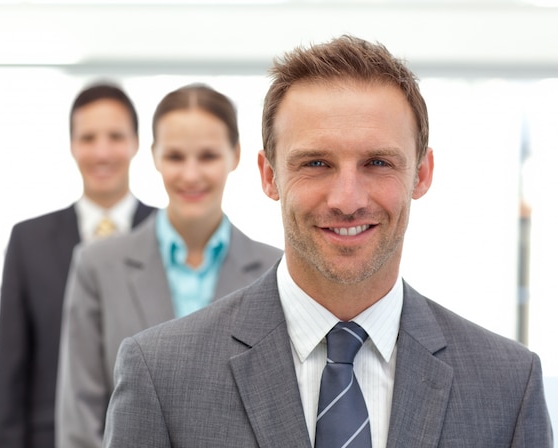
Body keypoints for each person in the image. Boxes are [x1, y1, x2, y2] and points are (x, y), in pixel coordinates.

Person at [102, 35, 553, 448]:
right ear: (268, 175)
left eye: (378, 162)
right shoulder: (161, 374)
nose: (347, 200)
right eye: (316, 163)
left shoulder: (509, 386)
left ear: (422, 173)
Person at [56, 83, 283, 448]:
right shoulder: (97, 266)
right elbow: (79, 420)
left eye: (208, 156)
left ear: (235, 155)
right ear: (155, 157)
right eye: (176, 157)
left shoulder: (275, 270)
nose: (191, 175)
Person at [0, 82, 155, 448]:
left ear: (136, 143)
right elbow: (10, 375)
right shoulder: (28, 242)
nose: (101, 152)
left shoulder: (169, 236)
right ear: (71, 145)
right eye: (88, 137)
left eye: (115, 136)